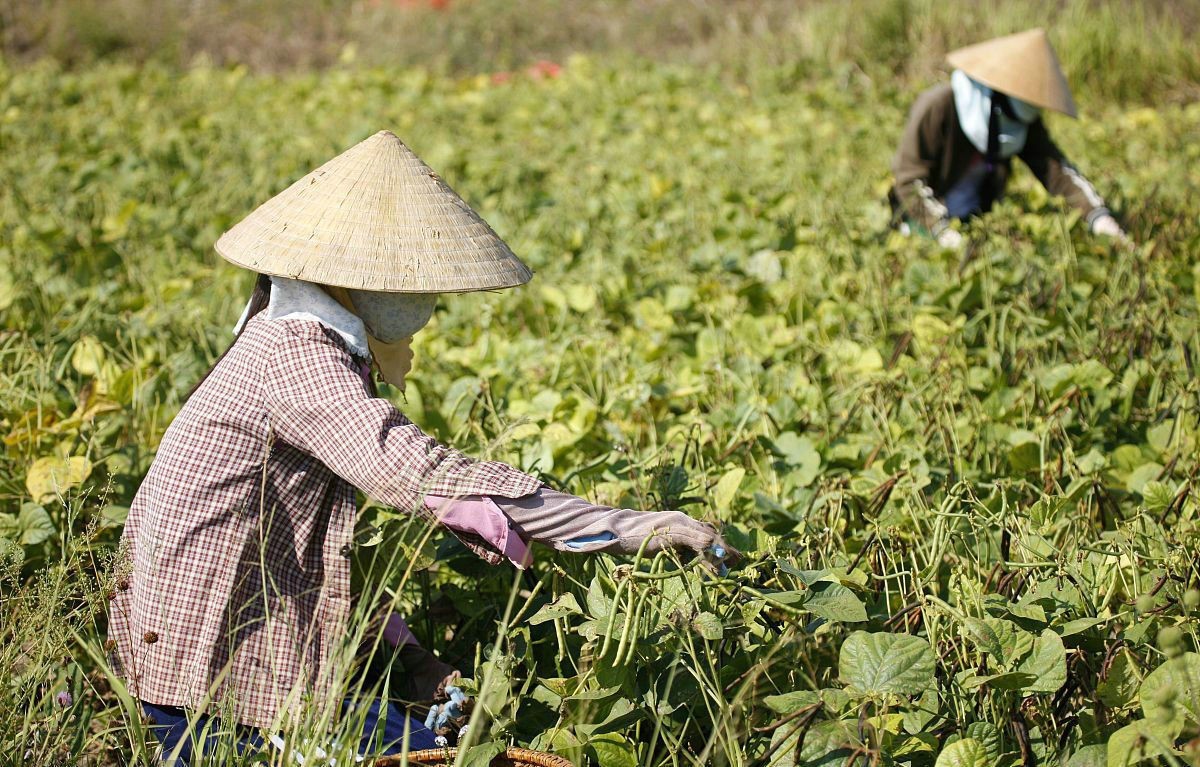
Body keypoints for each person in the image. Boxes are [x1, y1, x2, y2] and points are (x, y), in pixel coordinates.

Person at [107, 130, 733, 763]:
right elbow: (422, 474)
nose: (424, 302)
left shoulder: (291, 338)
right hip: (206, 671)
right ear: (357, 283)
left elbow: (310, 550)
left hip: (220, 633)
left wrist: (409, 656)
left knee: (413, 736)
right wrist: (626, 527)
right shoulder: (298, 358)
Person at [889, 28, 1127, 249]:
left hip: (978, 220)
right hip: (925, 222)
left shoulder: (1023, 119)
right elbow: (909, 179)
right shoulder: (937, 107)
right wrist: (943, 233)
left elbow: (1056, 170)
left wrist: (1098, 217)